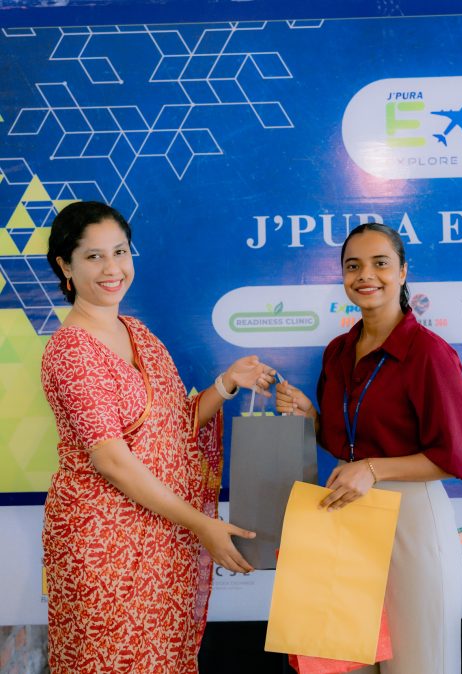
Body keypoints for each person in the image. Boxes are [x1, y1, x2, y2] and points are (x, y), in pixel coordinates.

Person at [41, 201, 275, 674]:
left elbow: (173, 427)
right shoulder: (70, 351)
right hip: (104, 546)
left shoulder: (137, 333)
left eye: (120, 252)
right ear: (65, 266)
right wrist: (202, 524)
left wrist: (225, 384)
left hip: (164, 539)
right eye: (93, 256)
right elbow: (111, 459)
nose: (112, 269)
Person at [276, 222, 462, 674]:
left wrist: (372, 469)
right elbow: (344, 444)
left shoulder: (429, 353)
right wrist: (311, 418)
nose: (365, 275)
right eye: (353, 266)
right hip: (344, 518)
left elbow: (458, 458)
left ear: (403, 272)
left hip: (410, 522)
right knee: (345, 665)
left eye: (380, 263)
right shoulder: (337, 351)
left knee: (419, 664)